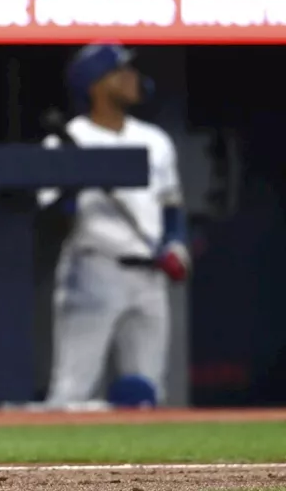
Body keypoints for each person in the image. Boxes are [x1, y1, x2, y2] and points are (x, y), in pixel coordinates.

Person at [37, 43, 190, 408]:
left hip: (150, 272)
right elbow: (50, 219)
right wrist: (76, 183)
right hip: (94, 269)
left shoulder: (155, 139)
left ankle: (142, 468)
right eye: (122, 71)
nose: (133, 78)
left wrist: (176, 245)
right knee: (72, 393)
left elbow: (171, 206)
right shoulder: (66, 141)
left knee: (148, 392)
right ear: (96, 85)